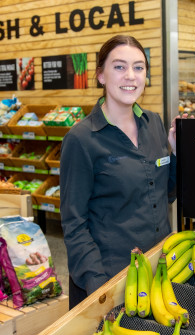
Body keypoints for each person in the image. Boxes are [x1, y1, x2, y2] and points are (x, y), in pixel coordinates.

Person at [60, 34, 185, 309]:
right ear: (100, 76)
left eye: (138, 67)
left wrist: (176, 154)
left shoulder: (154, 123)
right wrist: (98, 287)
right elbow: (74, 223)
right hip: (111, 277)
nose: (130, 76)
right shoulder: (81, 139)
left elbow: (165, 195)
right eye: (119, 67)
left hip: (158, 268)